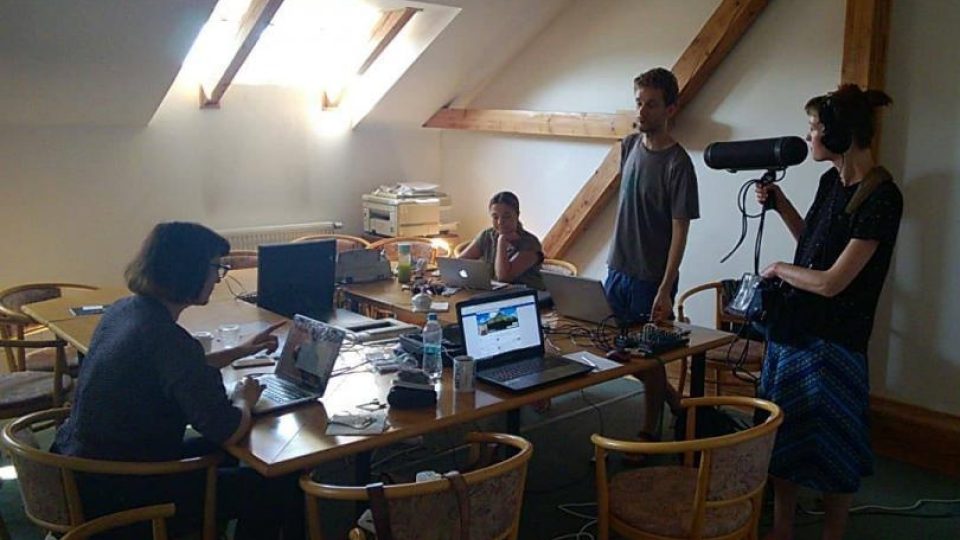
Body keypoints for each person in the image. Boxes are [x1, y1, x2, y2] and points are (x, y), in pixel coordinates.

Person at [53, 222, 304, 540]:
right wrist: (245, 398)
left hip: (82, 468)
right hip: (124, 494)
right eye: (216, 267)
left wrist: (240, 351)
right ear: (188, 270)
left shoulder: (125, 311)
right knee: (279, 479)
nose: (218, 277)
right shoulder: (168, 339)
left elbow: (170, 369)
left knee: (247, 456)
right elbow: (227, 429)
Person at [756, 84, 901, 540]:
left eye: (815, 127)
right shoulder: (829, 183)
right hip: (795, 330)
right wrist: (781, 205)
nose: (809, 136)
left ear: (841, 134)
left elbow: (832, 282)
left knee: (834, 447)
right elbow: (812, 246)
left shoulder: (882, 197)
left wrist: (779, 269)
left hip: (836, 342)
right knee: (782, 435)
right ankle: (782, 528)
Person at [605, 67, 700, 442]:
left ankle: (650, 431)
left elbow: (680, 231)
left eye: (652, 104)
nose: (642, 111)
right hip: (618, 268)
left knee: (648, 355)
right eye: (639, 103)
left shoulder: (679, 164)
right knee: (617, 348)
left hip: (651, 278)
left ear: (670, 109)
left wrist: (665, 288)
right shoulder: (629, 146)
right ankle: (675, 403)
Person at [459, 191, 546, 290]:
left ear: (517, 215)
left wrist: (501, 241)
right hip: (494, 293)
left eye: (506, 216)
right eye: (495, 217)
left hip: (528, 295)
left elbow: (503, 277)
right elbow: (458, 263)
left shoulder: (530, 243)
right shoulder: (487, 235)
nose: (500, 222)